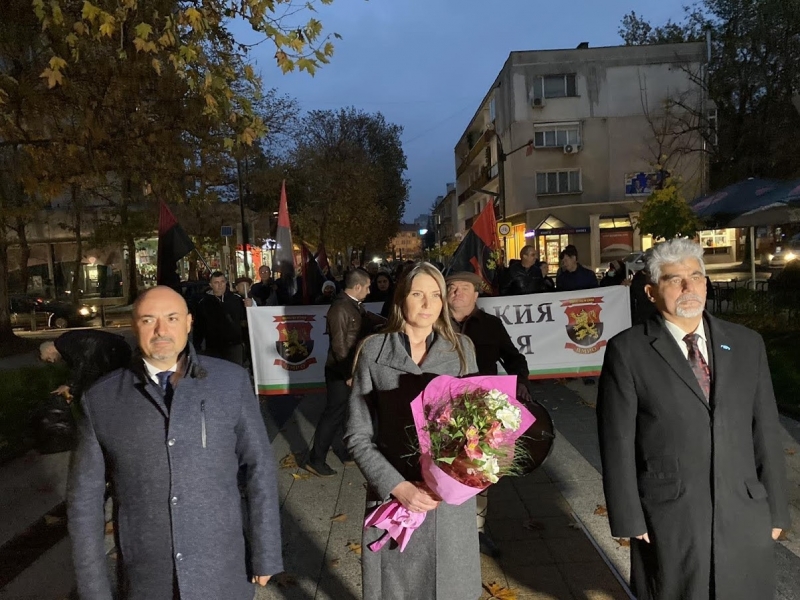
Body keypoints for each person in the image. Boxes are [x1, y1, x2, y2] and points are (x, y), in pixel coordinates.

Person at [597, 238, 789, 600]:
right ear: (652, 291)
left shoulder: (747, 344)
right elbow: (617, 440)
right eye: (674, 279)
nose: (689, 287)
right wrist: (628, 517)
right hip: (670, 513)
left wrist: (777, 510)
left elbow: (765, 429)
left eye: (696, 276)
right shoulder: (628, 350)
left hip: (743, 509)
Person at [67, 286, 282, 600]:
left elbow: (259, 468)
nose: (161, 330)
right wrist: (93, 588)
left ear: (189, 322)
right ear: (133, 325)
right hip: (148, 578)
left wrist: (267, 551)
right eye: (148, 320)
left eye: (171, 318)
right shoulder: (101, 400)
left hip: (222, 569)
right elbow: (84, 502)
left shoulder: (230, 382)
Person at [345, 262, 481, 600]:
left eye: (435, 295)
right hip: (395, 500)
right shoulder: (373, 352)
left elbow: (478, 431)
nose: (427, 304)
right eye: (417, 294)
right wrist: (398, 487)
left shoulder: (462, 351)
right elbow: (357, 435)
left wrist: (458, 478)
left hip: (447, 504)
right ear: (400, 298)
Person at [446, 271, 532, 559]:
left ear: (476, 294)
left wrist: (520, 383)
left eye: (463, 288)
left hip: (481, 410)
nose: (456, 292)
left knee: (481, 473)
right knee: (444, 469)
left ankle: (478, 531)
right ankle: (445, 529)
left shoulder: (491, 325)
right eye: (451, 287)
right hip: (443, 410)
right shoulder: (436, 324)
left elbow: (514, 358)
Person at [303, 268, 373, 477]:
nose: (369, 291)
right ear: (358, 286)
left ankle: (343, 450)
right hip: (340, 371)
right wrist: (347, 374)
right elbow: (339, 346)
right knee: (333, 414)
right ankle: (316, 459)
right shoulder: (341, 308)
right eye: (367, 287)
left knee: (344, 413)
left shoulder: (352, 305)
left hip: (348, 368)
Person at [40, 330, 132, 403]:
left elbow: (81, 364)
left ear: (49, 349)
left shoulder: (62, 344)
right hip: (115, 348)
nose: (52, 361)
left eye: (48, 358)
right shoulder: (66, 343)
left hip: (112, 351)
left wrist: (69, 385)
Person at [193, 271, 248, 366]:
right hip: (213, 347)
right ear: (211, 285)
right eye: (216, 282)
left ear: (226, 282)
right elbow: (199, 327)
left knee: (235, 373)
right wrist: (196, 347)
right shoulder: (203, 303)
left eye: (222, 282)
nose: (220, 285)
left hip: (234, 345)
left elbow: (245, 321)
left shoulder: (236, 299)